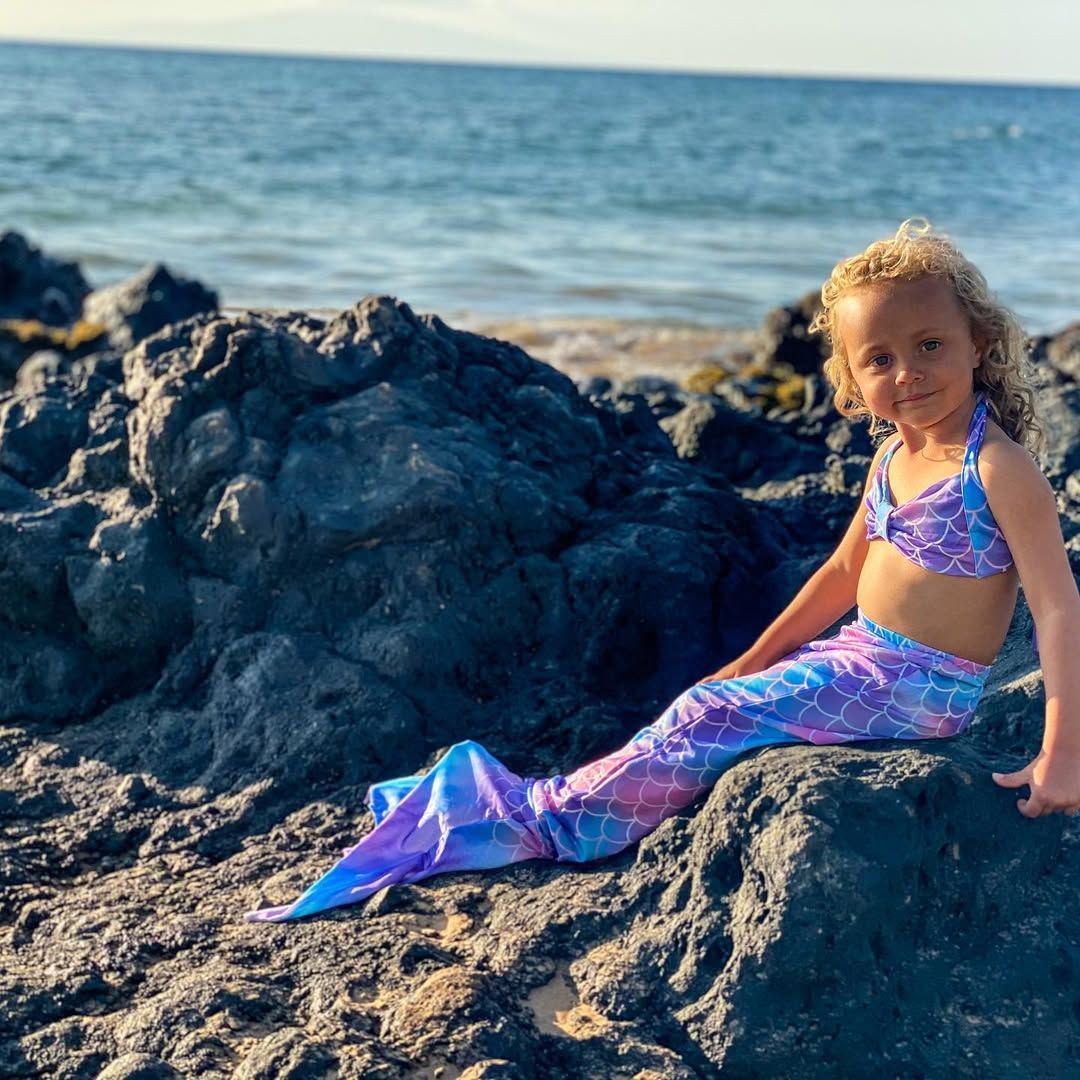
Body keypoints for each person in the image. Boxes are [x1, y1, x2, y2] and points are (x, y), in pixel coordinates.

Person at [243, 219, 1080, 924]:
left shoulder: (996, 470)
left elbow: (1056, 609)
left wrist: (1061, 753)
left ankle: (545, 821)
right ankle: (552, 798)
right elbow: (840, 570)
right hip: (862, 659)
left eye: (930, 345)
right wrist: (757, 659)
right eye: (881, 360)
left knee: (710, 714)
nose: (909, 374)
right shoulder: (894, 456)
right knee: (707, 697)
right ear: (854, 382)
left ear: (981, 341)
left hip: (918, 690)